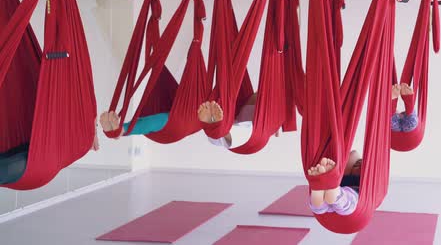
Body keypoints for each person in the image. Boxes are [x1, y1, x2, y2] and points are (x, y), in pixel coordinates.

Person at [307, 83, 417, 215]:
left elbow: (352, 156)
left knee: (329, 204)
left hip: (343, 181)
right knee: (348, 201)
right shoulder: (368, 182)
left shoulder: (357, 160)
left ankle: (321, 191)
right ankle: (331, 193)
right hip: (352, 189)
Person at [99, 94, 260, 149]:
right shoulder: (257, 101)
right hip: (209, 108)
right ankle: (214, 124)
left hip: (218, 123)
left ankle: (215, 125)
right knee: (172, 119)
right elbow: (254, 95)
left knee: (175, 122)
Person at [0, 120, 100, 185]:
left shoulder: (78, 143)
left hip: (43, 162)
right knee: (7, 159)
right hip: (39, 151)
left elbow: (95, 144)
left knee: (6, 167)